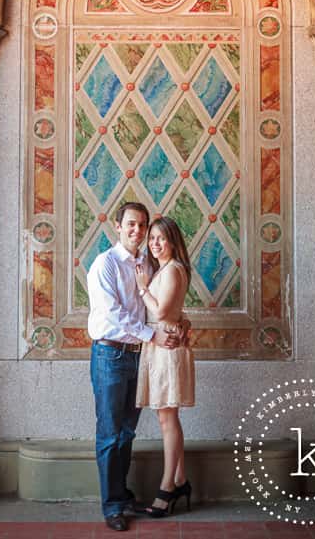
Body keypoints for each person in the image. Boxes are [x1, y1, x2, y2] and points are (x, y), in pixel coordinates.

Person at [87, 202, 183, 532]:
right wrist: (153, 335)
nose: (138, 231)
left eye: (142, 225)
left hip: (137, 355)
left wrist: (180, 324)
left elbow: (160, 305)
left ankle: (123, 495)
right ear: (118, 226)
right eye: (131, 224)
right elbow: (114, 314)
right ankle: (112, 506)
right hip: (110, 355)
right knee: (111, 433)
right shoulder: (106, 264)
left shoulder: (146, 263)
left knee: (127, 431)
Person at [134, 216, 195, 517]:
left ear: (173, 241)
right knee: (167, 418)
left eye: (161, 238)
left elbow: (161, 310)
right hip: (160, 346)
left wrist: (143, 288)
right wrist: (183, 322)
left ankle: (167, 487)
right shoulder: (165, 270)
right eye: (152, 239)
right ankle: (181, 479)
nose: (155, 244)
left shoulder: (173, 270)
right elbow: (174, 313)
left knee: (167, 420)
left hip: (167, 350)